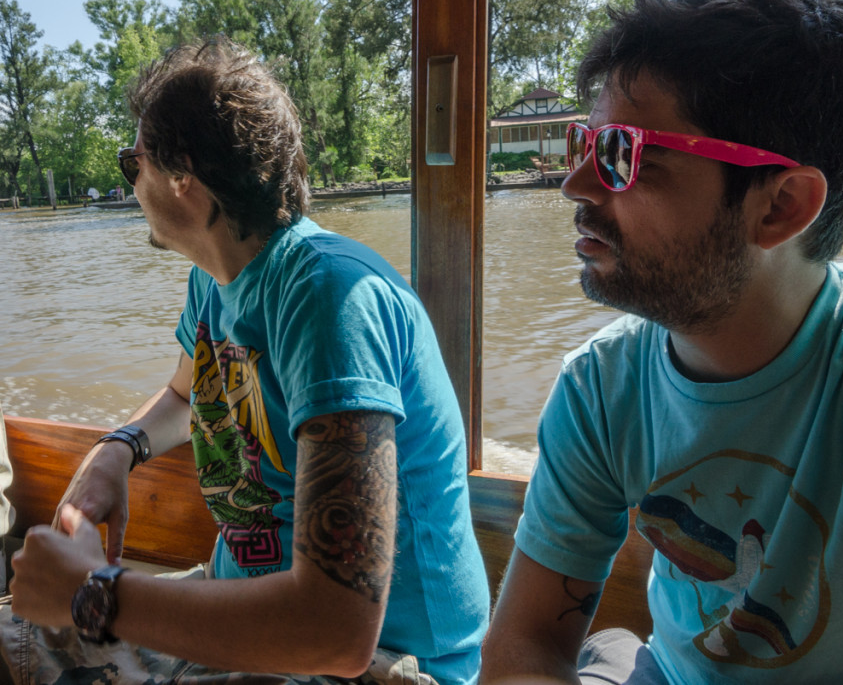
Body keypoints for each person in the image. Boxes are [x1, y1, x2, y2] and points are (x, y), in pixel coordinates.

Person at [481, 0, 843, 685]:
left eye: (623, 152)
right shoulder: (601, 386)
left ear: (782, 206)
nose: (576, 185)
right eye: (586, 141)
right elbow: (522, 649)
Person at [2, 39, 490, 685]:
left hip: (377, 662)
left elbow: (336, 628)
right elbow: (182, 396)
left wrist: (96, 594)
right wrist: (117, 451)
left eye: (132, 163)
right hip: (246, 612)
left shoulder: (329, 297)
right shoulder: (216, 277)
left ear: (186, 184)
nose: (131, 183)